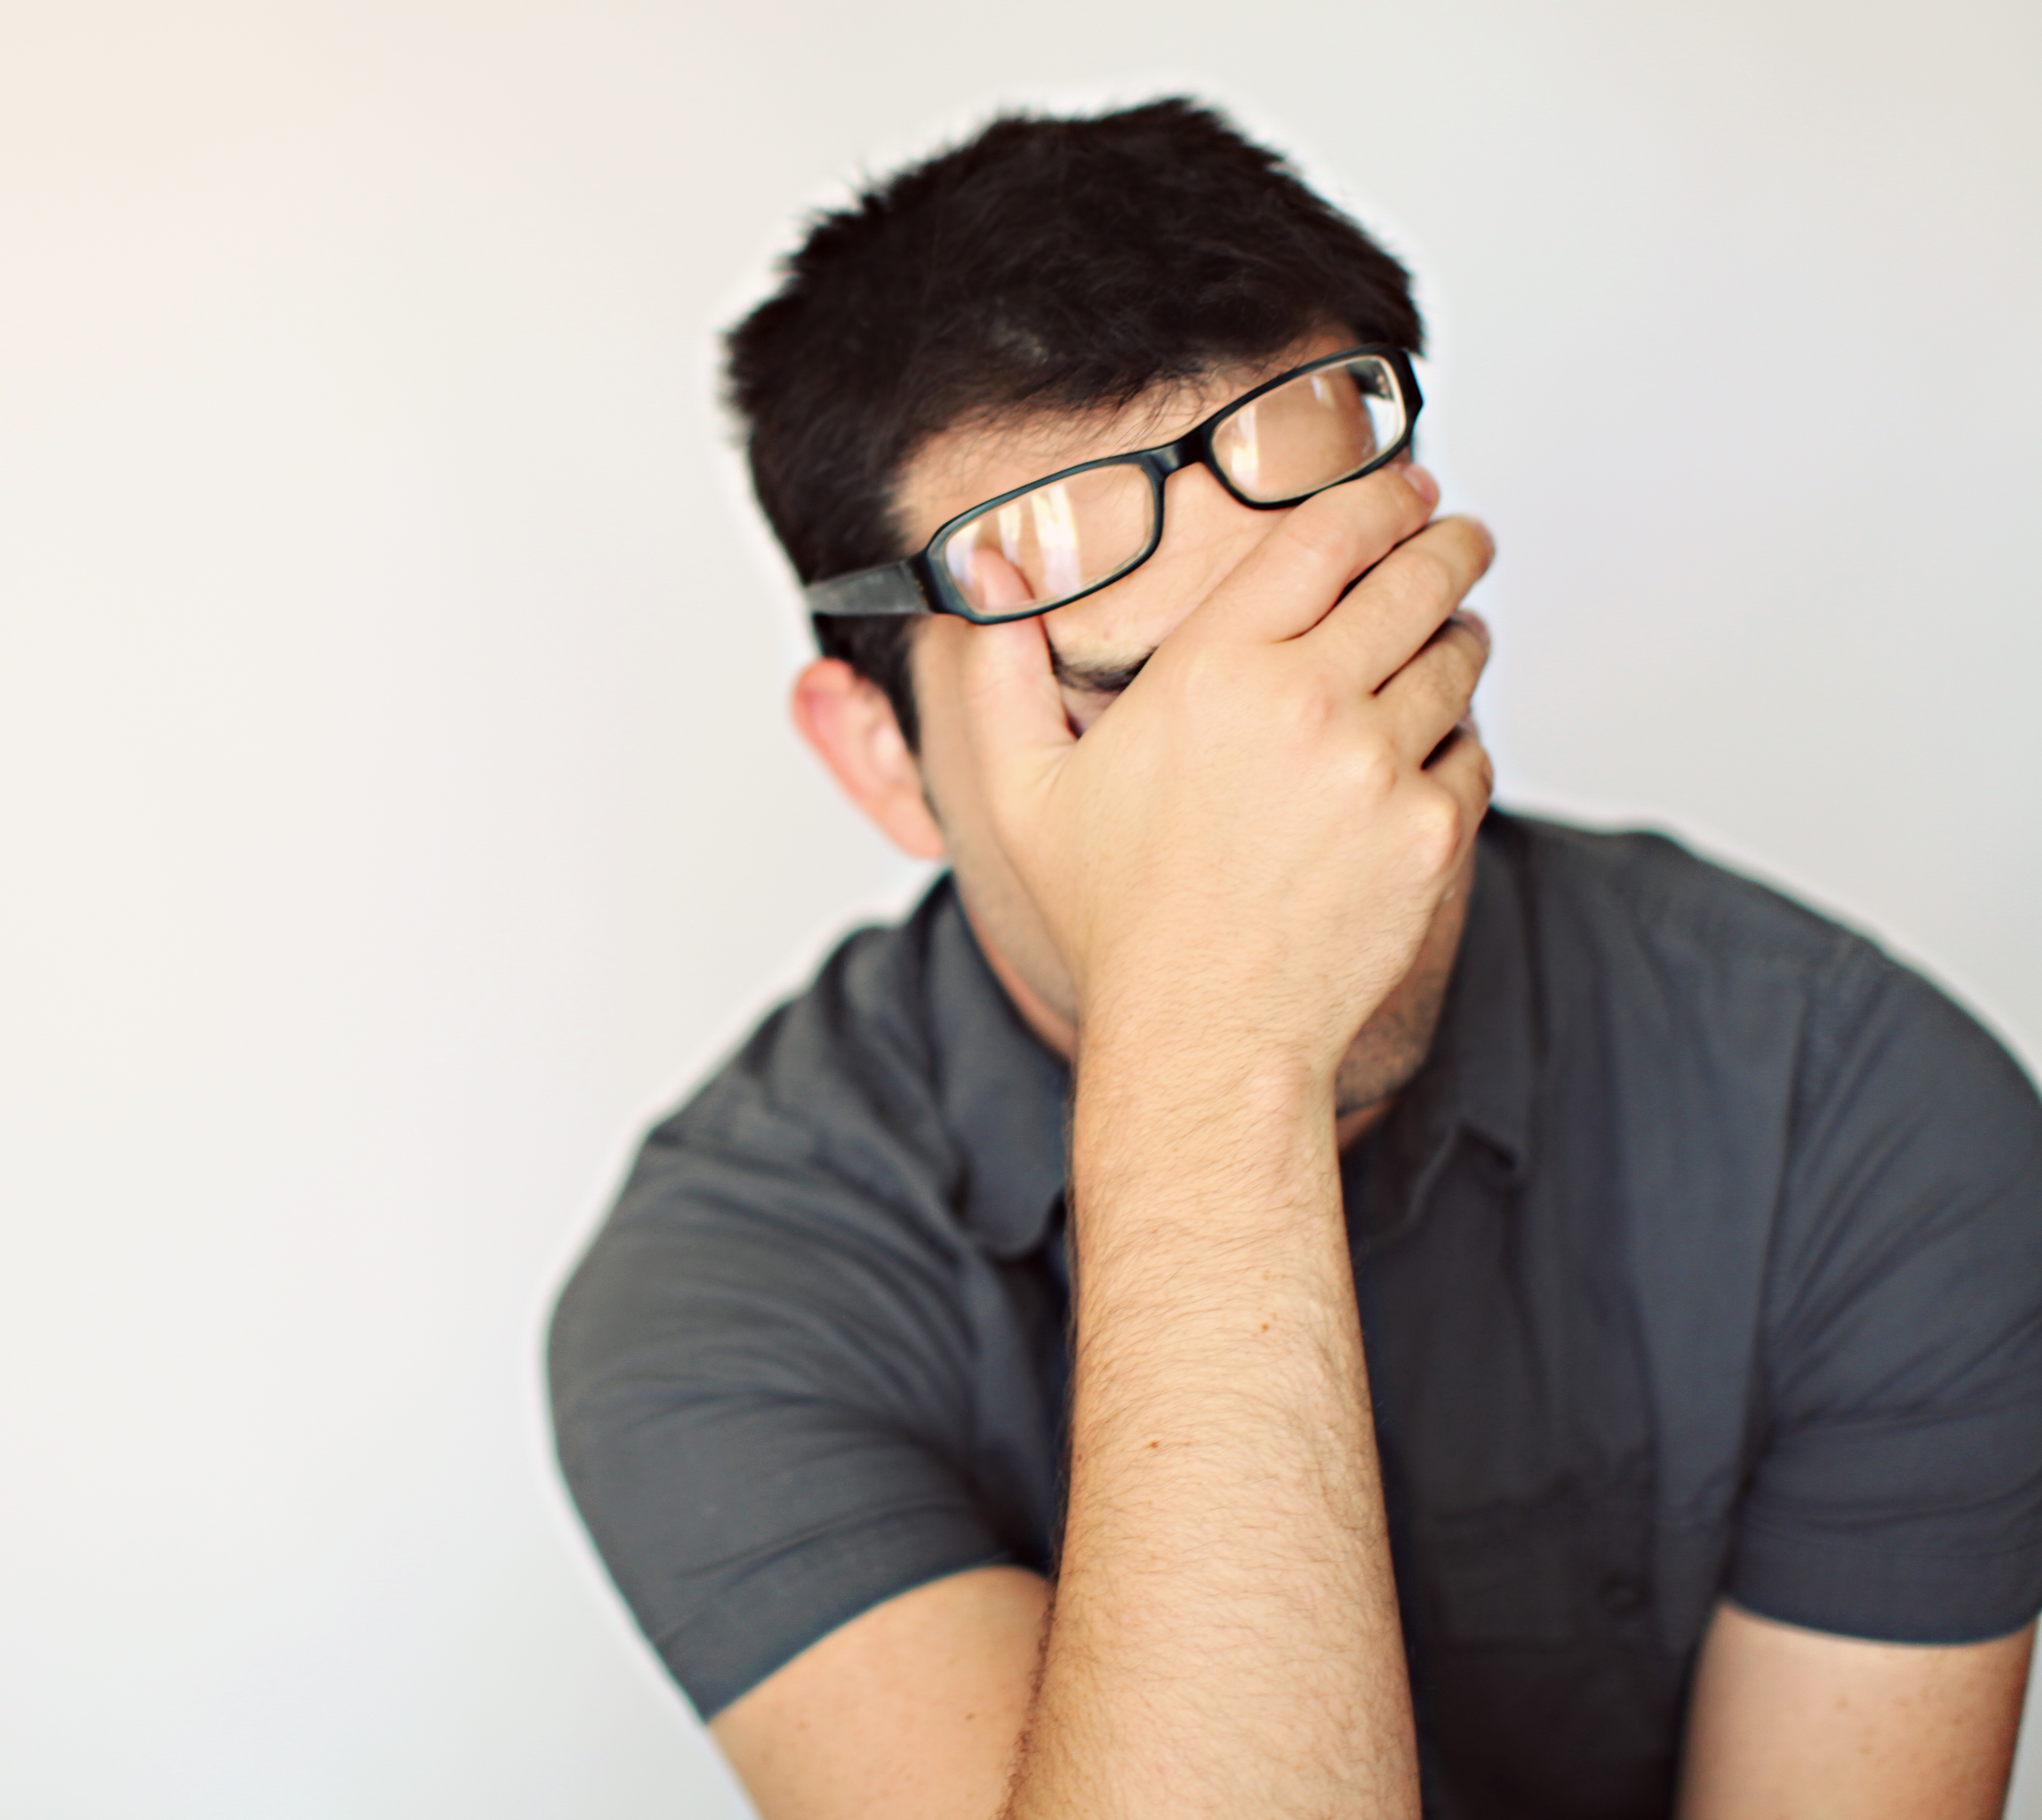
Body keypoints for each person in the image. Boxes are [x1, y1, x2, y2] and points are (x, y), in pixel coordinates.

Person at [546, 100, 2042, 1820]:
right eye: (1132, 706)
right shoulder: (728, 1300)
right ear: (883, 759)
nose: (1294, 791)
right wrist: (1217, 1053)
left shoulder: (1863, 1126)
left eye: (1342, 636)